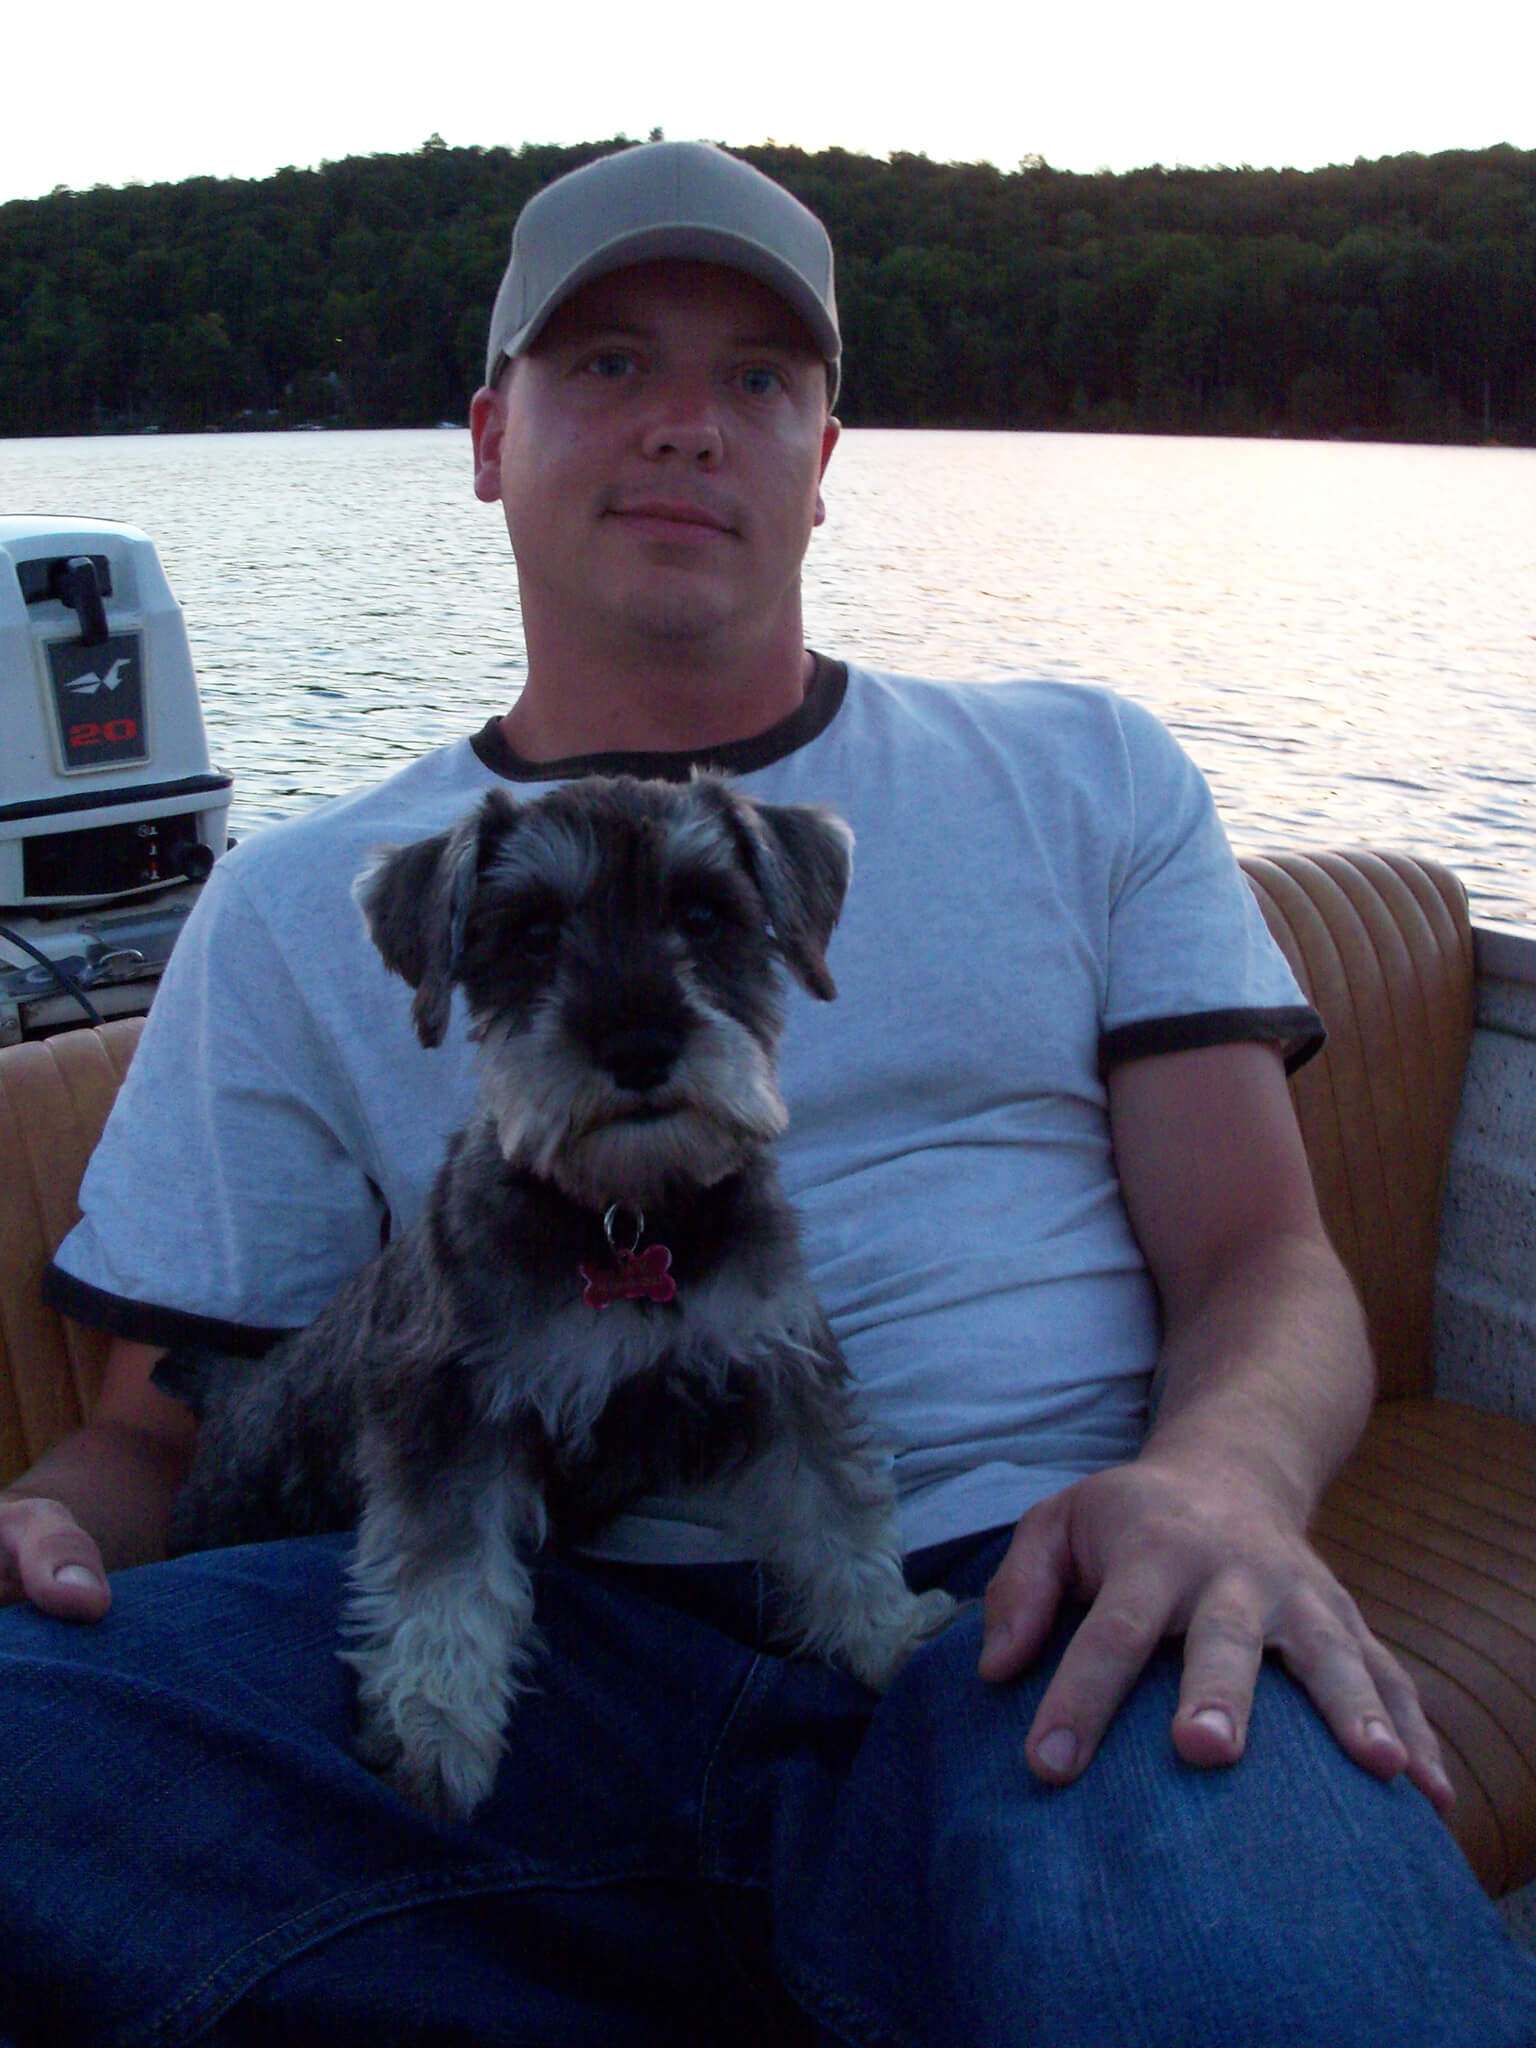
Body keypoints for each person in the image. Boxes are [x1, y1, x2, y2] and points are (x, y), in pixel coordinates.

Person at [0, 140, 1531, 2048]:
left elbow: (1265, 1263)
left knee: (1262, 2001)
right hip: (497, 1616)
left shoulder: (1085, 772)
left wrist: (1218, 1488)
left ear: (823, 456)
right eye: (609, 363)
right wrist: (44, 1523)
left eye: (757, 376)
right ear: (489, 439)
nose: (687, 424)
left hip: (1038, 1595)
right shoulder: (300, 901)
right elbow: (155, 1441)